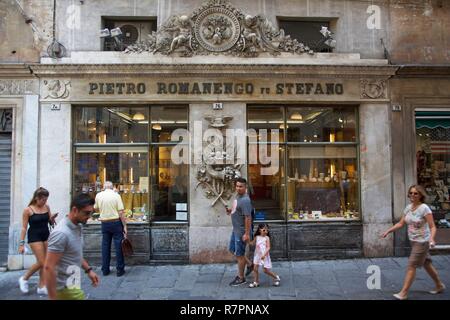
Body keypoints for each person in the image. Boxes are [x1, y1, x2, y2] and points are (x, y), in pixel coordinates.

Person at [381, 185, 446, 300]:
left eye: (416, 193)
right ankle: (439, 285)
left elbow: (432, 227)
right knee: (427, 264)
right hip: (413, 241)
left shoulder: (424, 208)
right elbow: (401, 223)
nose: (412, 195)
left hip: (422, 242)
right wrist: (388, 231)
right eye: (411, 193)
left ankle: (404, 293)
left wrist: (432, 238)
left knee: (411, 265)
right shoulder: (408, 208)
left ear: (421, 195)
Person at [44, 193, 99, 300]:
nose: (89, 217)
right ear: (74, 210)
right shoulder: (61, 233)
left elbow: (74, 253)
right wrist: (52, 297)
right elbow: (48, 267)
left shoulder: (77, 226)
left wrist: (89, 270)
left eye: (90, 213)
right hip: (64, 288)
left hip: (73, 283)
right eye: (86, 213)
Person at [18, 187, 58, 295]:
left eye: (46, 199)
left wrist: (52, 218)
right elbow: (23, 228)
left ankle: (41, 286)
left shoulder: (47, 207)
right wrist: (21, 244)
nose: (45, 201)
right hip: (34, 237)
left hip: (46, 236)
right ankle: (24, 279)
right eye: (43, 199)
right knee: (41, 262)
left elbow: (50, 221)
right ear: (36, 198)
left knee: (45, 263)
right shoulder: (28, 210)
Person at [94, 181, 127, 277]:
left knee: (105, 246)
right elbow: (121, 212)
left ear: (104, 187)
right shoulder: (116, 195)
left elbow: (95, 208)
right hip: (116, 222)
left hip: (104, 223)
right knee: (118, 247)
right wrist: (124, 225)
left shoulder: (98, 195)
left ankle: (105, 269)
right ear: (112, 187)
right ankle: (120, 270)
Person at [226, 177, 253, 286]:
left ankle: (241, 278)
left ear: (245, 187)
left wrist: (246, 234)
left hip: (241, 232)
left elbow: (248, 218)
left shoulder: (245, 200)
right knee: (233, 250)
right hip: (236, 230)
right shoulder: (238, 196)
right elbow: (238, 209)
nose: (238, 188)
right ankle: (250, 264)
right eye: (237, 186)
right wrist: (231, 211)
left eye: (241, 186)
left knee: (240, 254)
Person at [248, 223, 280, 288]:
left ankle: (276, 277)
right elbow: (252, 244)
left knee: (265, 270)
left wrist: (264, 255)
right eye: (263, 228)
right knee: (255, 268)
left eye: (266, 229)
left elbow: (268, 247)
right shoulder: (257, 237)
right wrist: (247, 240)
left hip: (264, 255)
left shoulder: (267, 238)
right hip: (257, 254)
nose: (265, 230)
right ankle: (256, 282)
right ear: (259, 230)